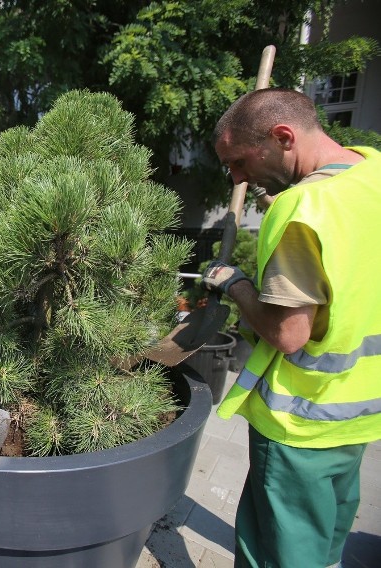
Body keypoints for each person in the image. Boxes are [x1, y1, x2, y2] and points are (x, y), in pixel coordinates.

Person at [201, 88, 381, 568]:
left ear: (282, 136)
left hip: (301, 422)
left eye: (239, 161)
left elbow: (287, 334)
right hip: (360, 414)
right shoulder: (372, 171)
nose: (236, 178)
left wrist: (234, 283)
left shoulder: (304, 210)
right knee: (324, 546)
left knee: (279, 553)